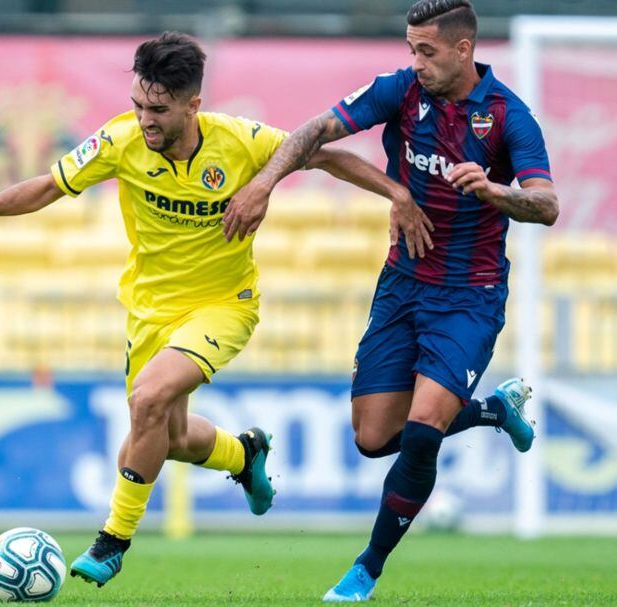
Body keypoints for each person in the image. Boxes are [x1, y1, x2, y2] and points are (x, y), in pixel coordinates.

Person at [0, 31, 423, 589]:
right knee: (166, 434)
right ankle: (244, 454)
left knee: (147, 399)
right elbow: (49, 186)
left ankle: (112, 542)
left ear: (193, 104)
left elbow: (327, 156)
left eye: (158, 109)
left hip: (222, 306)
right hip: (149, 312)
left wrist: (398, 195)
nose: (145, 120)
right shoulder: (120, 142)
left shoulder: (239, 141)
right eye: (138, 105)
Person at [224, 1, 558, 601]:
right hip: (403, 283)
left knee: (426, 426)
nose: (416, 61)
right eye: (411, 49)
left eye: (426, 51)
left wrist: (494, 189)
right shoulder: (399, 92)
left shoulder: (509, 117)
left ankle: (366, 570)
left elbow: (547, 205)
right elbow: (314, 133)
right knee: (374, 438)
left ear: (463, 49)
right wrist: (264, 183)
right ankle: (491, 411)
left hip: (470, 296)